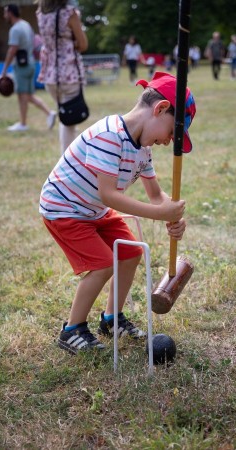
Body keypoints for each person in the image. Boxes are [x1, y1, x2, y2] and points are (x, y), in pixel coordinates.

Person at [39, 71, 196, 354]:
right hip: (64, 208)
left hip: (92, 210)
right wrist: (160, 214)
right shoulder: (110, 135)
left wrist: (171, 214)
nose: (167, 141)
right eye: (172, 132)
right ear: (160, 109)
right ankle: (72, 330)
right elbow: (109, 194)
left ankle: (111, 320)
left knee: (130, 253)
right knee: (102, 264)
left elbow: (155, 194)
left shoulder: (143, 149)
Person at [36, 0, 88, 153]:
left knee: (65, 117)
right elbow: (83, 44)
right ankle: (67, 161)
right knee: (68, 122)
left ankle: (70, 155)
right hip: (68, 74)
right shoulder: (69, 13)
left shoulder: (41, 13)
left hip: (50, 74)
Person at [1, 4, 56, 132]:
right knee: (27, 95)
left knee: (23, 95)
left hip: (21, 66)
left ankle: (26, 122)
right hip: (30, 63)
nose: (4, 16)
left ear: (10, 13)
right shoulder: (26, 24)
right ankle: (43, 115)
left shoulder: (15, 29)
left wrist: (4, 69)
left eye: (5, 13)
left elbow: (12, 50)